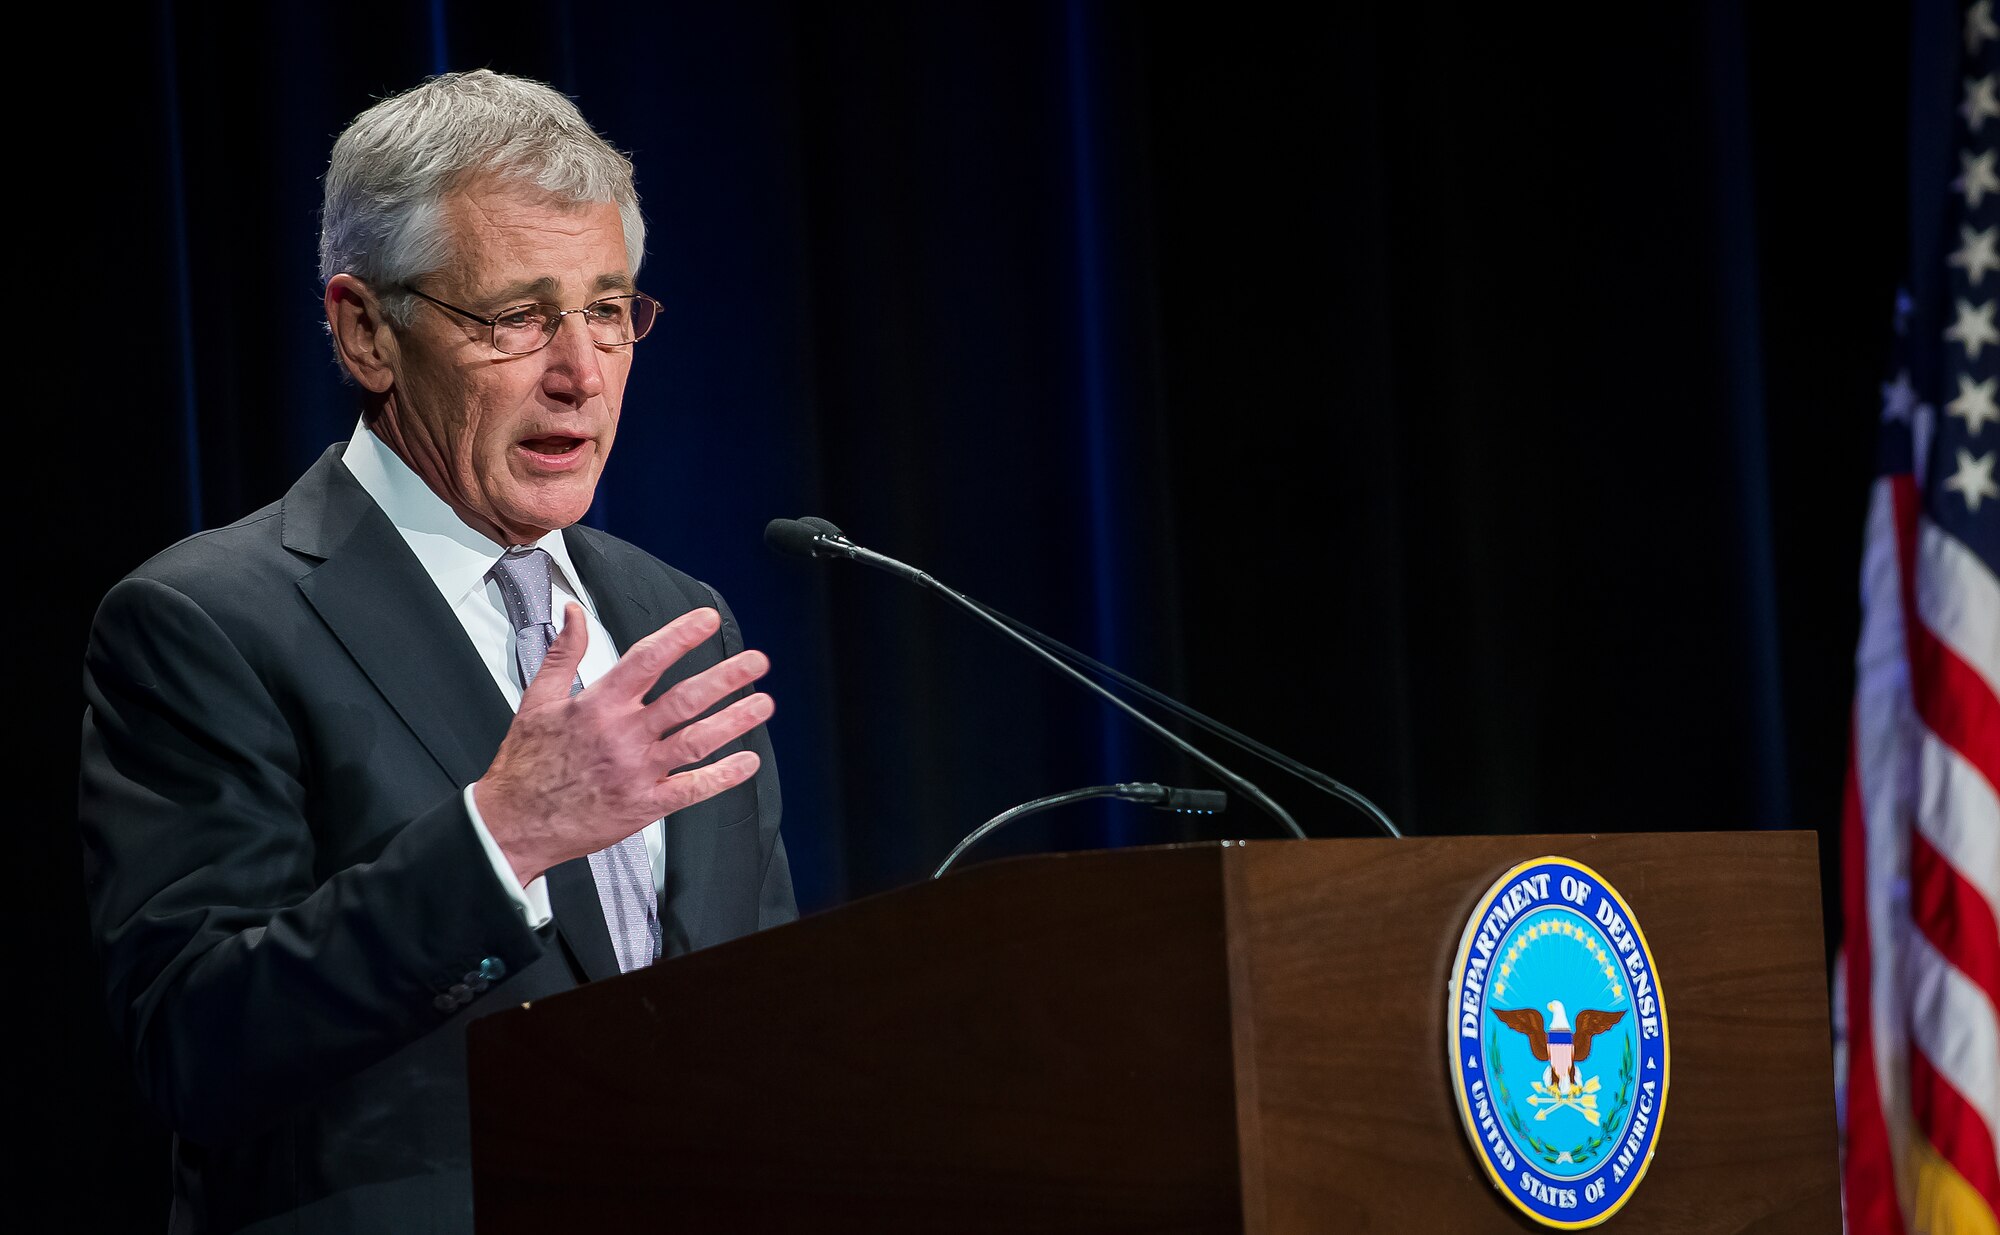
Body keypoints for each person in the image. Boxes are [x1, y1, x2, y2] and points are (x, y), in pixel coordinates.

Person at [77, 70, 796, 1233]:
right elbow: (197, 1045)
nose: (580, 371)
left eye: (607, 308)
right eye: (515, 316)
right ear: (366, 330)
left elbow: (755, 1006)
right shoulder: (208, 618)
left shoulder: (674, 614)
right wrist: (502, 834)